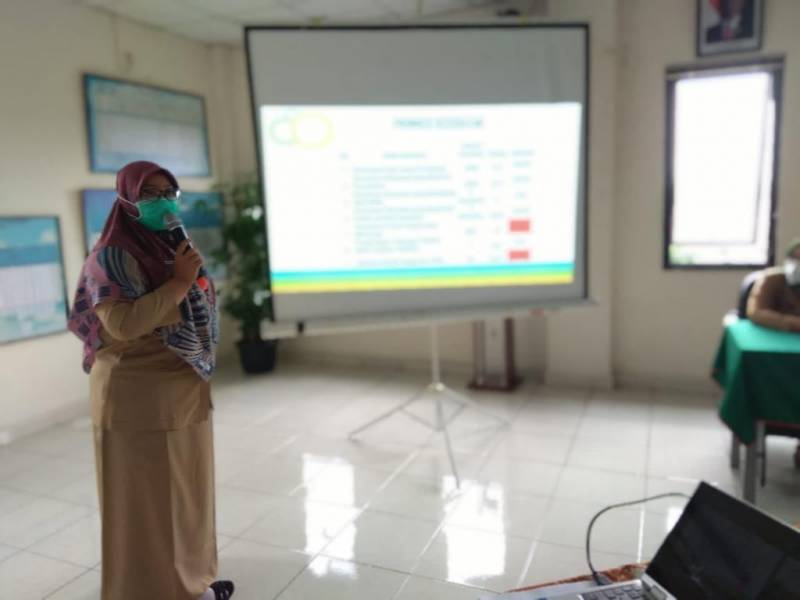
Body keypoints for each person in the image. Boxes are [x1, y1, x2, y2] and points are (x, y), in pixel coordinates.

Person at [68, 161, 234, 600]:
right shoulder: (110, 257)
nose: (162, 202)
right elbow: (123, 324)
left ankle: (193, 580)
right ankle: (154, 591)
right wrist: (179, 283)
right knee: (147, 505)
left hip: (181, 388)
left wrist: (187, 280)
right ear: (126, 199)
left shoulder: (172, 247)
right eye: (149, 193)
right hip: (138, 397)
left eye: (168, 193)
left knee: (188, 494)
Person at [746, 238, 800, 468]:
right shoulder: (772, 280)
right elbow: (756, 312)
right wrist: (792, 323)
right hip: (776, 353)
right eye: (796, 258)